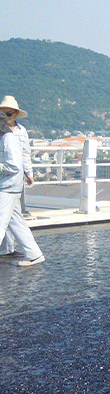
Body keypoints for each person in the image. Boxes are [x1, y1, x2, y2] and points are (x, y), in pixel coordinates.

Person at [0, 111, 43, 266]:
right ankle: (35, 254)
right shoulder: (6, 137)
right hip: (10, 186)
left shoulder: (7, 139)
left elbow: (14, 166)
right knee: (17, 222)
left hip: (7, 186)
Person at [0, 96, 33, 219]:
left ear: (16, 114)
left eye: (9, 114)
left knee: (13, 213)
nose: (6, 117)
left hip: (16, 175)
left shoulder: (21, 131)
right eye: (3, 114)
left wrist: (29, 173)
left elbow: (25, 153)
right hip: (3, 176)